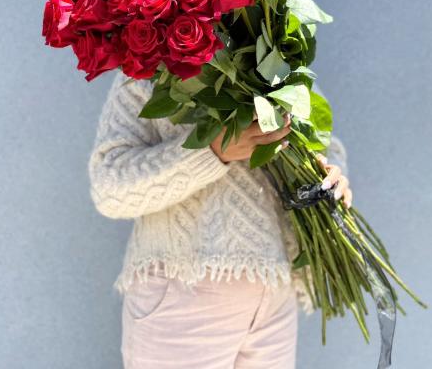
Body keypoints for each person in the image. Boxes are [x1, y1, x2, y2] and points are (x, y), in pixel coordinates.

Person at [87, 70, 352, 369]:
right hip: (182, 291)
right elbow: (108, 187)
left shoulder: (277, 57)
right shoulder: (146, 66)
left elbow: (324, 140)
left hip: (275, 292)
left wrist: (329, 176)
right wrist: (211, 150)